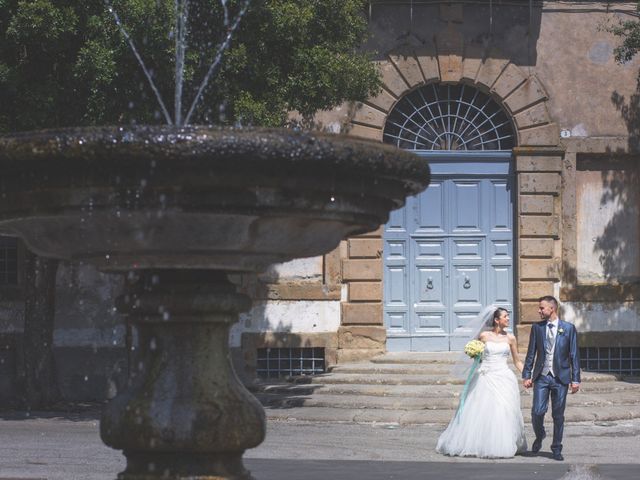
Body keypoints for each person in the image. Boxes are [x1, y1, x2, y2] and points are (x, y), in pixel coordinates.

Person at [436, 307, 527, 458]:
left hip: (504, 377)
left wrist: (527, 376)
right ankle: (480, 443)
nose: (508, 319)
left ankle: (501, 443)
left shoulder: (511, 338)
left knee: (503, 410)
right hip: (485, 376)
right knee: (482, 410)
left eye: (508, 316)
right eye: (505, 316)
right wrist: (474, 353)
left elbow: (517, 361)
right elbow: (476, 356)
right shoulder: (484, 336)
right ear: (497, 320)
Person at [523, 295, 580, 461]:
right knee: (537, 412)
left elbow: (574, 355)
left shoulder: (568, 328)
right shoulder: (537, 328)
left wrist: (575, 379)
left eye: (541, 308)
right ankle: (540, 435)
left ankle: (556, 447)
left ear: (552, 309)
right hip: (541, 376)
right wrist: (527, 374)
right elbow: (531, 353)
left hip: (560, 378)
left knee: (558, 415)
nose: (539, 310)